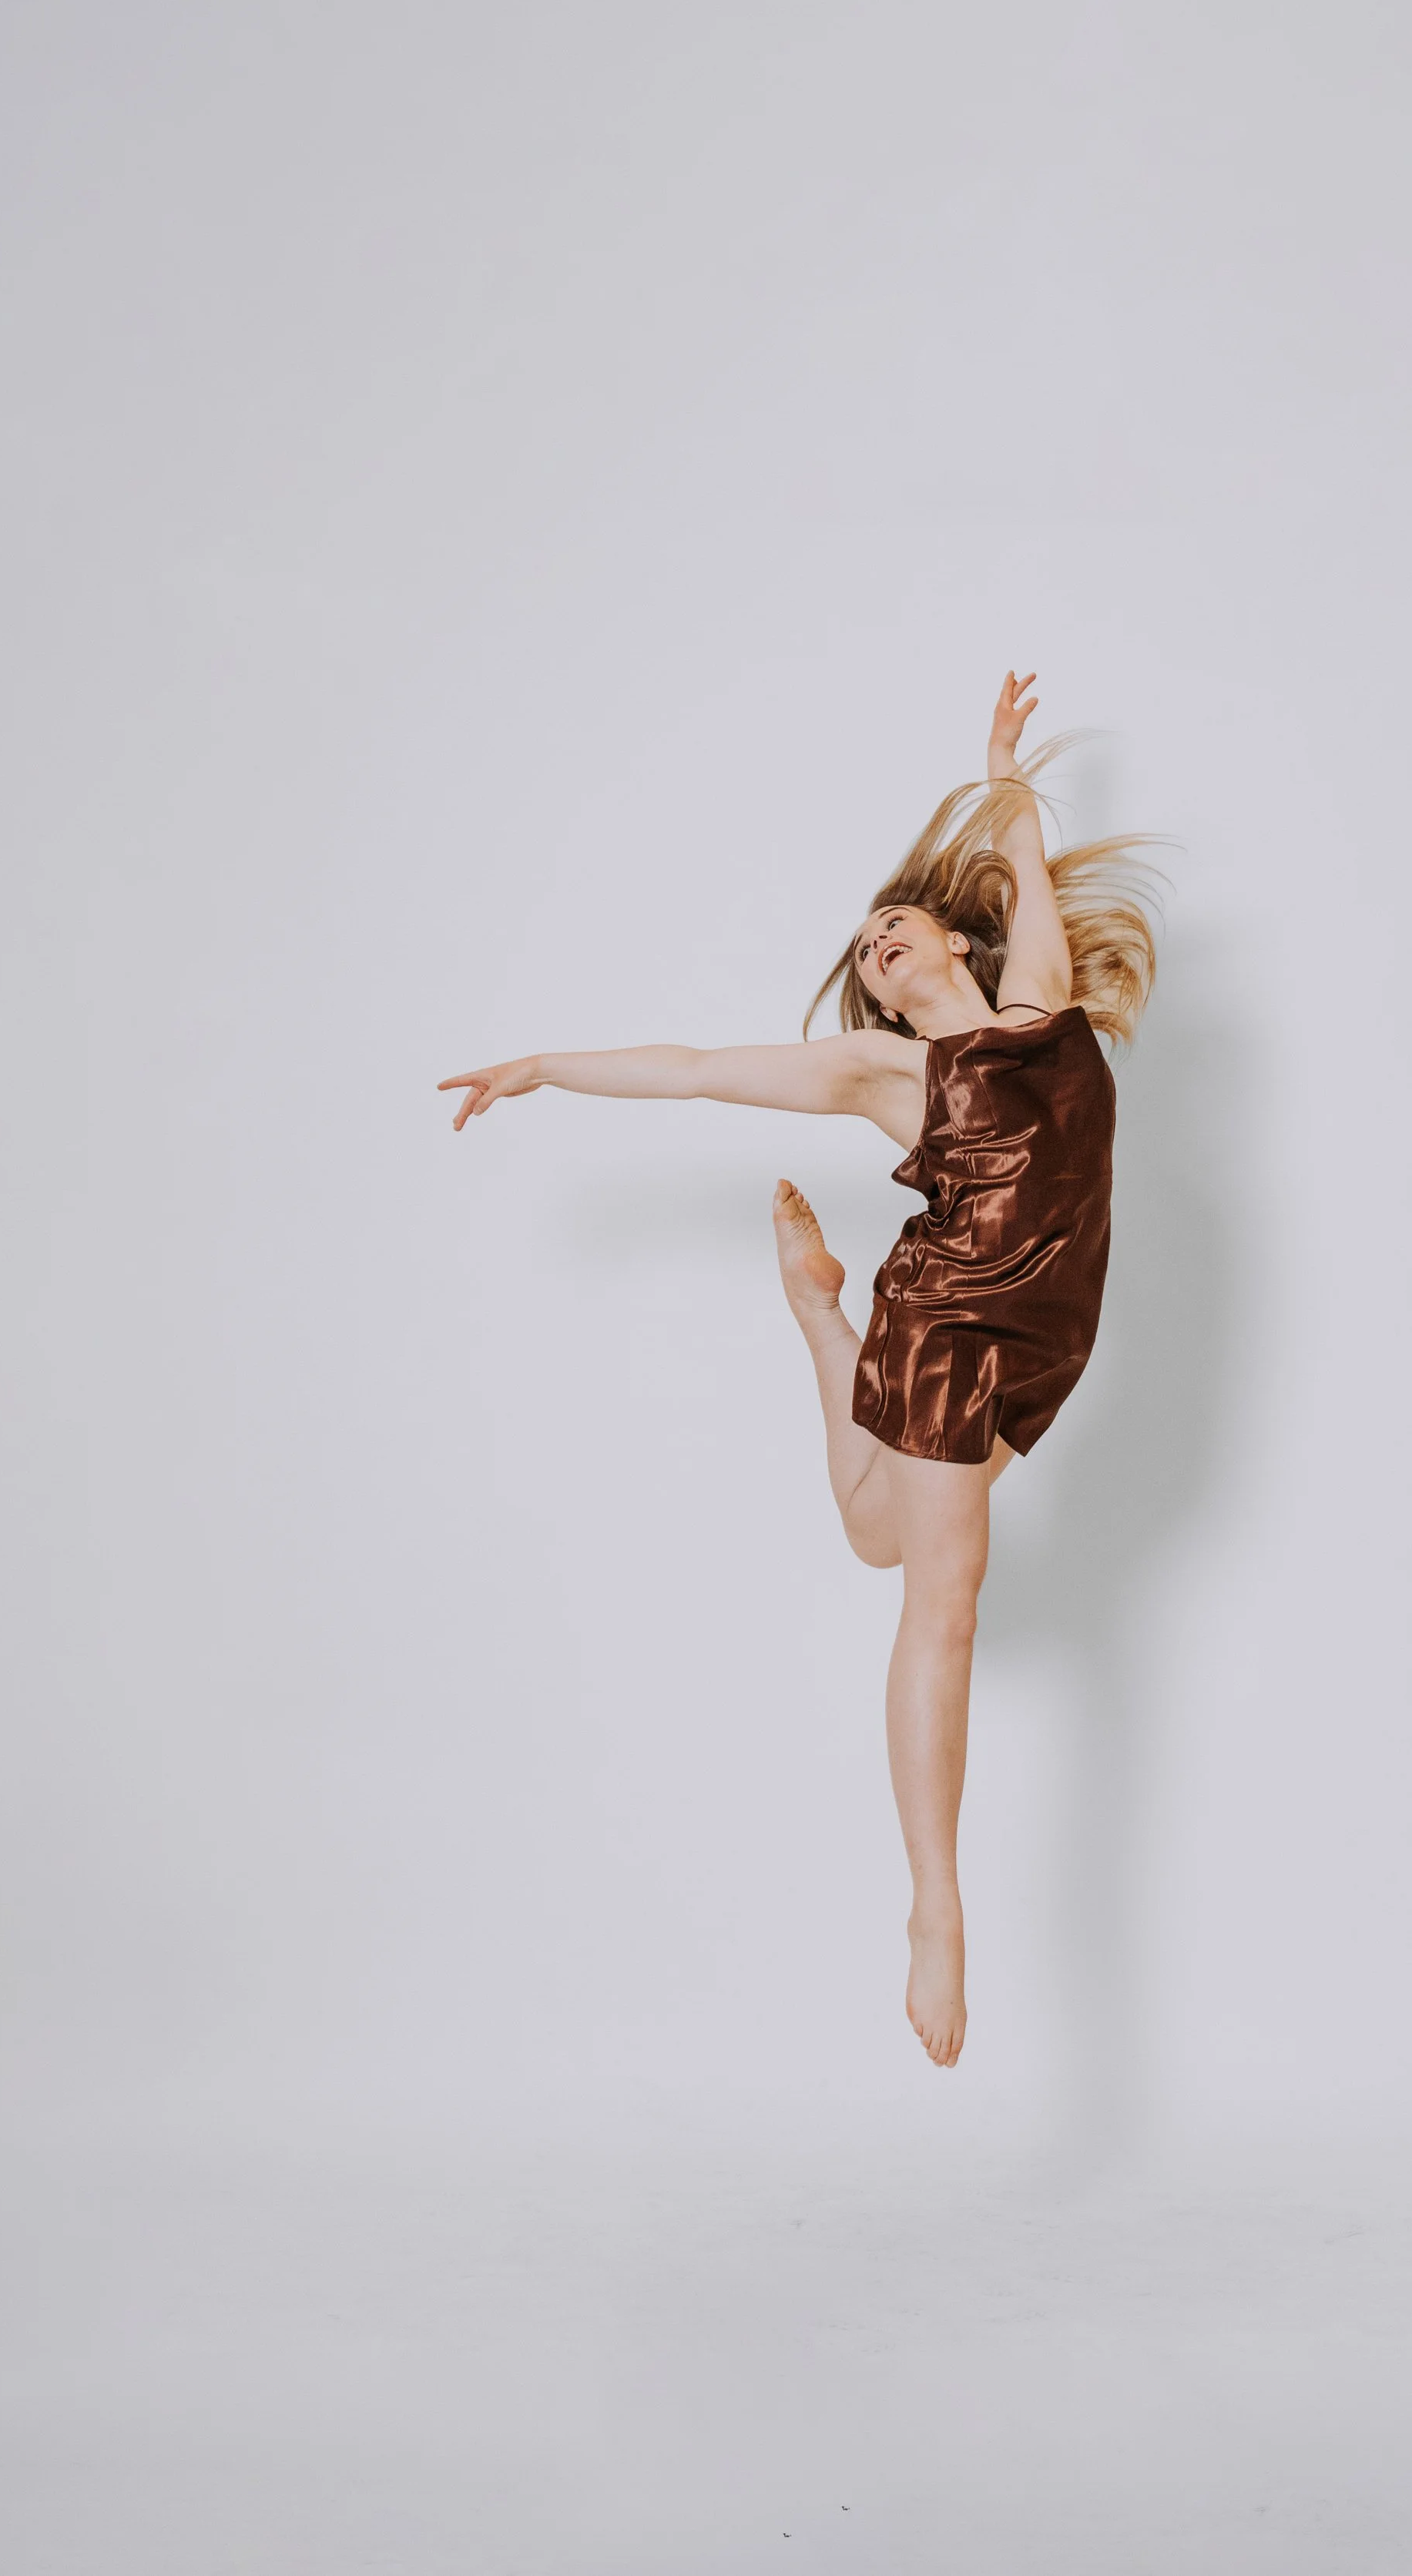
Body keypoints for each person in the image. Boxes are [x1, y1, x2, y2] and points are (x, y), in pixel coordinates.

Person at [438, 675, 1161, 2068]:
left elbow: (1023, 855)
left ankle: (820, 1316)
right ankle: (936, 1907)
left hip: (1049, 1337)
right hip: (954, 1324)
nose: (878, 942)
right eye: (866, 946)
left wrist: (1002, 768)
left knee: (874, 1535)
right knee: (943, 1599)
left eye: (897, 923)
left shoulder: (1039, 1002)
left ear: (954, 937)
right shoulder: (886, 1073)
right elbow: (698, 1066)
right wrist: (545, 1067)